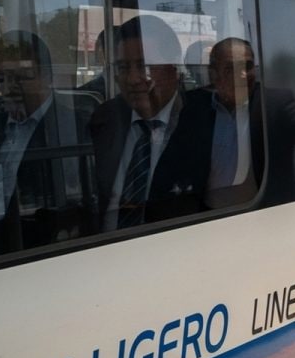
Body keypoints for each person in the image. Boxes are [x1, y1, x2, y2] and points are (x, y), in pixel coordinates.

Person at [0, 30, 94, 251]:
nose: (8, 88)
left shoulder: (72, 126)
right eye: (1, 78)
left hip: (38, 245)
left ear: (47, 76)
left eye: (20, 77)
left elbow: (69, 206)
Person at [89, 15, 211, 231]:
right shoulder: (105, 118)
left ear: (173, 67)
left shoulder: (204, 119)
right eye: (123, 68)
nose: (133, 79)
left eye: (144, 66)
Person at [186, 37, 295, 207]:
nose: (243, 75)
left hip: (267, 218)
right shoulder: (196, 106)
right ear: (213, 74)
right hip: (210, 219)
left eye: (248, 66)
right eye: (231, 68)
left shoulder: (275, 105)